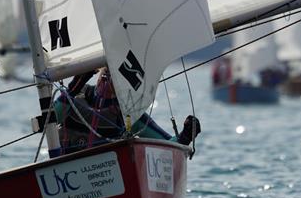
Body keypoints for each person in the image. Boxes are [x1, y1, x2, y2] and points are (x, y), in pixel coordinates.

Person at [52, 67, 201, 156]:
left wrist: (185, 137)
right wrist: (73, 88)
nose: (109, 80)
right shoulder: (75, 97)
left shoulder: (129, 114)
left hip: (105, 172)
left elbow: (168, 145)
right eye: (106, 74)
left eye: (116, 77)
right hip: (66, 175)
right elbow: (51, 118)